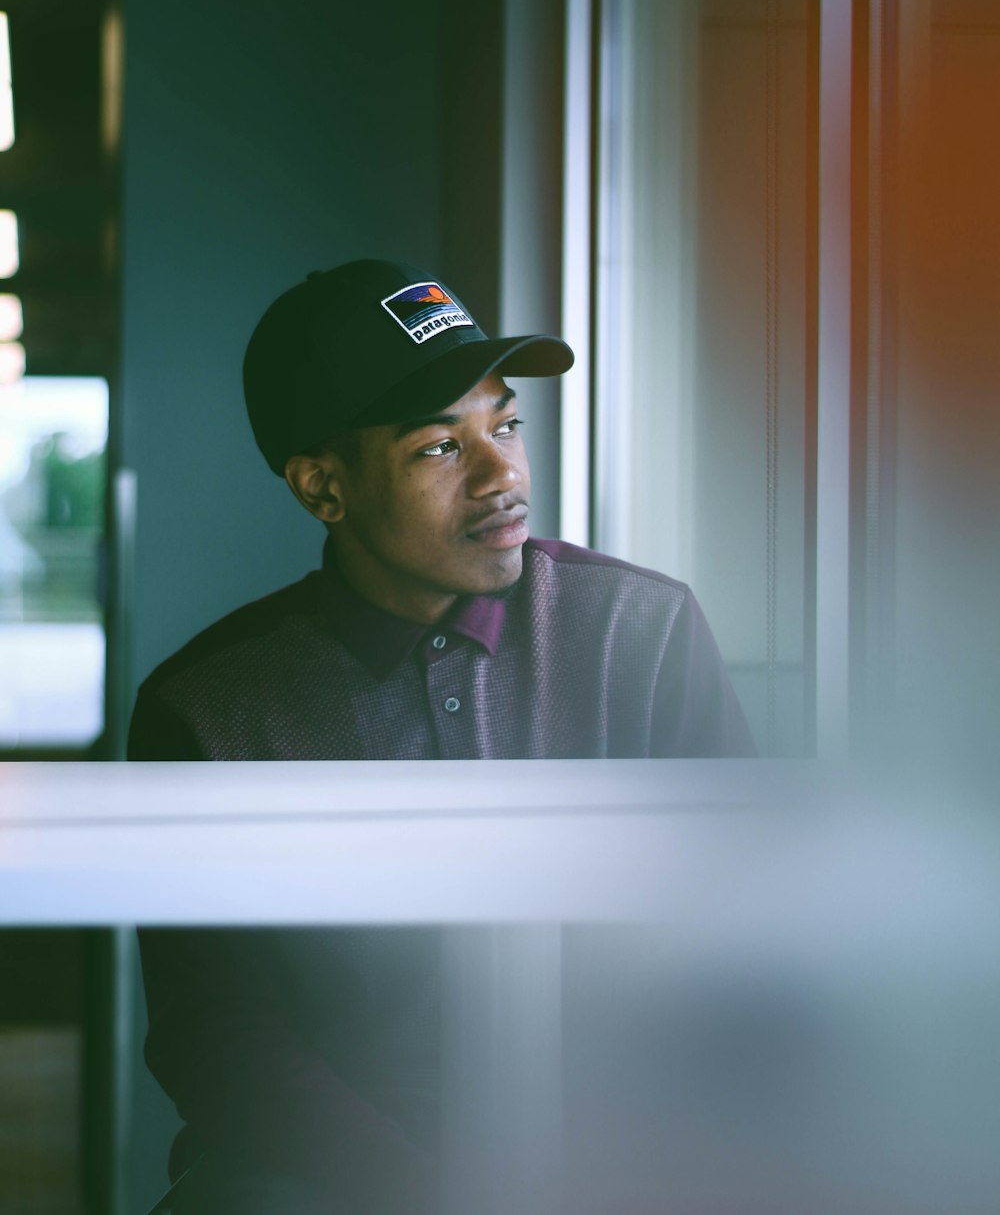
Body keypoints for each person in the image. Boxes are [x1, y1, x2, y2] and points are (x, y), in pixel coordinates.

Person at [130, 258, 754, 1213]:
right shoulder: (212, 706)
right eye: (439, 447)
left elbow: (745, 939)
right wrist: (422, 1188)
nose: (504, 474)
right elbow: (217, 1032)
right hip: (330, 1172)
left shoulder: (640, 629)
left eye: (504, 425)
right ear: (323, 487)